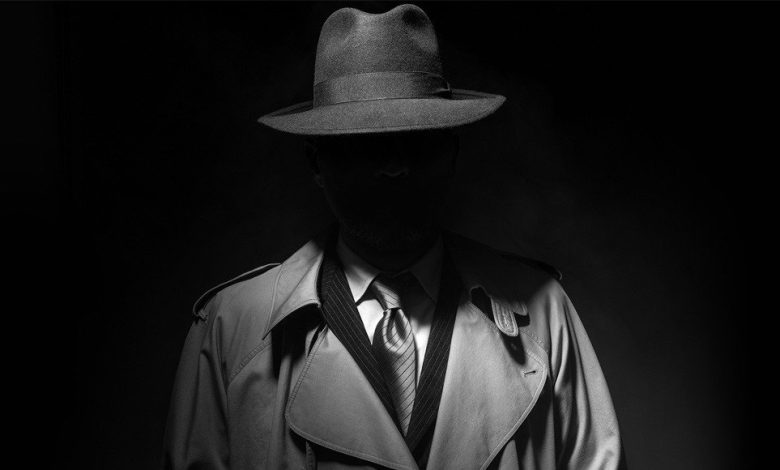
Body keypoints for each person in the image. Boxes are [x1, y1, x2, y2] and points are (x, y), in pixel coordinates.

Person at [163, 4, 625, 469]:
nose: (395, 166)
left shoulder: (543, 313)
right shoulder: (229, 330)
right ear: (316, 161)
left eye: (417, 139)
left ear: (451, 153)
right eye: (365, 143)